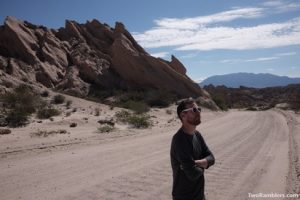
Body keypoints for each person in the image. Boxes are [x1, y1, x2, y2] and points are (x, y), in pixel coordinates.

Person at [170, 97, 215, 200]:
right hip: (184, 196)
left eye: (199, 109)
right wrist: (205, 163)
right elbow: (193, 174)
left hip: (199, 195)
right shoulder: (179, 140)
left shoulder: (197, 135)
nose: (198, 112)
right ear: (183, 115)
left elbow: (212, 158)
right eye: (194, 110)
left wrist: (196, 163)